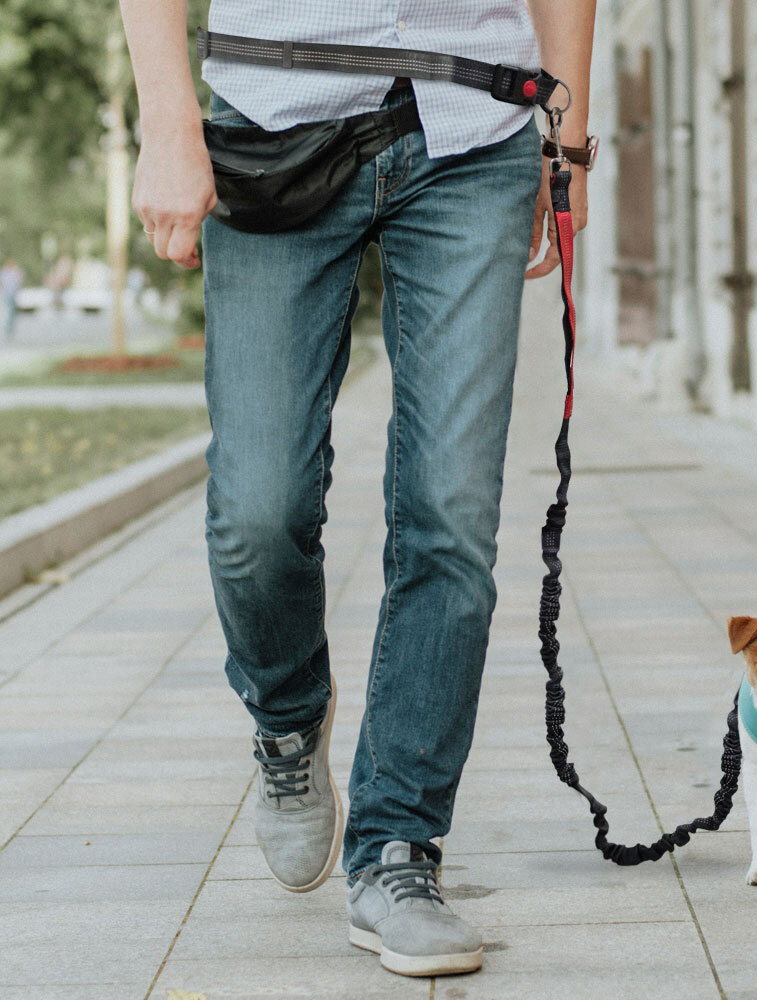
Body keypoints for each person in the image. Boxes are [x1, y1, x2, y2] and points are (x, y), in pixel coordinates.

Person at [118, 0, 594, 979]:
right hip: (273, 111)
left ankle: (398, 850)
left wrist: (568, 136)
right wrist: (166, 122)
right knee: (258, 511)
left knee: (450, 517)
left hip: (477, 124)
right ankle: (288, 716)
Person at [1, 259, 24, 340]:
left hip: (8, 293)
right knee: (11, 311)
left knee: (10, 310)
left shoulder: (4, 272)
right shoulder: (11, 272)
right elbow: (20, 278)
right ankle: (9, 327)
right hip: (10, 293)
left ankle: (8, 327)